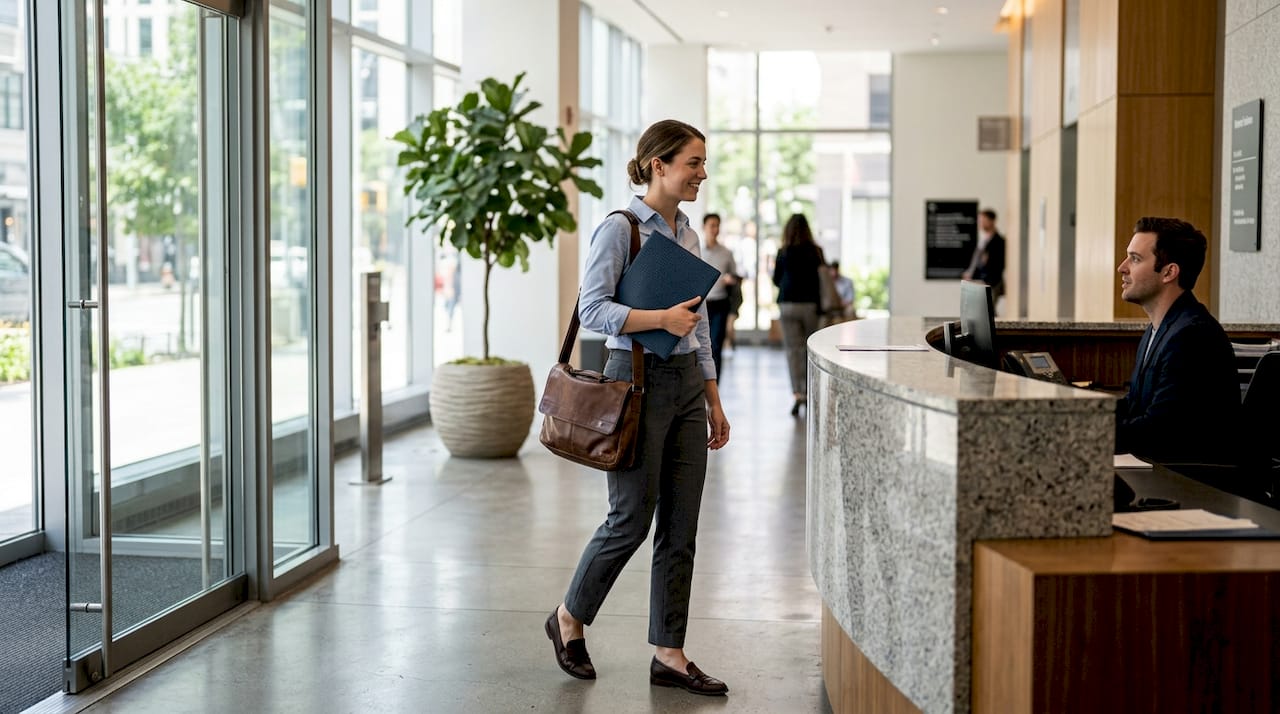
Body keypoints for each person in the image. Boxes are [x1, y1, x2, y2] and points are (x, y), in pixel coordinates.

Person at [547, 119, 731, 697]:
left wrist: (713, 398)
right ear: (659, 165)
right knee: (630, 518)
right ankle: (569, 617)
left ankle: (669, 653)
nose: (702, 173)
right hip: (635, 379)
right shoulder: (619, 230)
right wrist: (658, 319)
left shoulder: (687, 236)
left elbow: (697, 329)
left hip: (684, 388)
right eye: (693, 163)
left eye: (703, 163)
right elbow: (593, 311)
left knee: (682, 525)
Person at [1114, 217, 1240, 464]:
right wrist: (1080, 419)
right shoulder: (1159, 329)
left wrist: (1085, 435)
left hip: (1195, 485)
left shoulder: (1192, 336)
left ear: (1169, 272)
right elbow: (1134, 405)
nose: (1122, 267)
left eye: (1135, 259)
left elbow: (1158, 432)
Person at [772, 213, 824, 416]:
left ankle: (797, 394)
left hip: (787, 304)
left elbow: (776, 279)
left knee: (793, 351)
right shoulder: (816, 252)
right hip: (810, 305)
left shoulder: (783, 252)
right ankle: (810, 392)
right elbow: (822, 281)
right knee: (810, 350)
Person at [700, 212, 738, 377]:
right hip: (701, 305)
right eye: (712, 225)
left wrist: (731, 279)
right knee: (701, 346)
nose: (715, 229)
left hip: (720, 304)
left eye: (717, 225)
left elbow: (736, 277)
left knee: (716, 345)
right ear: (704, 227)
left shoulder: (726, 253)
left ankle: (715, 385)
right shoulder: (696, 251)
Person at [963, 208, 1005, 308]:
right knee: (984, 310)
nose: (980, 223)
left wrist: (985, 262)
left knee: (988, 310)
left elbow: (997, 264)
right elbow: (977, 260)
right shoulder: (983, 240)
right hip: (981, 281)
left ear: (992, 221)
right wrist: (970, 272)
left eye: (983, 220)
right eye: (980, 220)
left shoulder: (999, 241)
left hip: (992, 281)